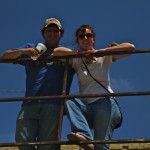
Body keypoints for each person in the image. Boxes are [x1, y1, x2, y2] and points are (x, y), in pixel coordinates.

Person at [53, 24, 135, 150]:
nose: (85, 38)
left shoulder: (104, 56)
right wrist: (80, 54)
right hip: (88, 107)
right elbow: (56, 52)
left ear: (93, 39)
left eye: (88, 35)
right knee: (68, 100)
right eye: (81, 36)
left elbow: (130, 47)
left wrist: (102, 51)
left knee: (101, 147)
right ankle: (84, 135)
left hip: (105, 103)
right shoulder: (76, 59)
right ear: (78, 40)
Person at [0, 18, 75, 150]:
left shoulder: (67, 52)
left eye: (55, 31)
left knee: (48, 146)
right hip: (30, 103)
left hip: (54, 104)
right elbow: (4, 57)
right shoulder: (31, 48)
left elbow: (88, 59)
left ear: (61, 34)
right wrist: (24, 52)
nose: (52, 33)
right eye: (49, 30)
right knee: (22, 141)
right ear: (43, 33)